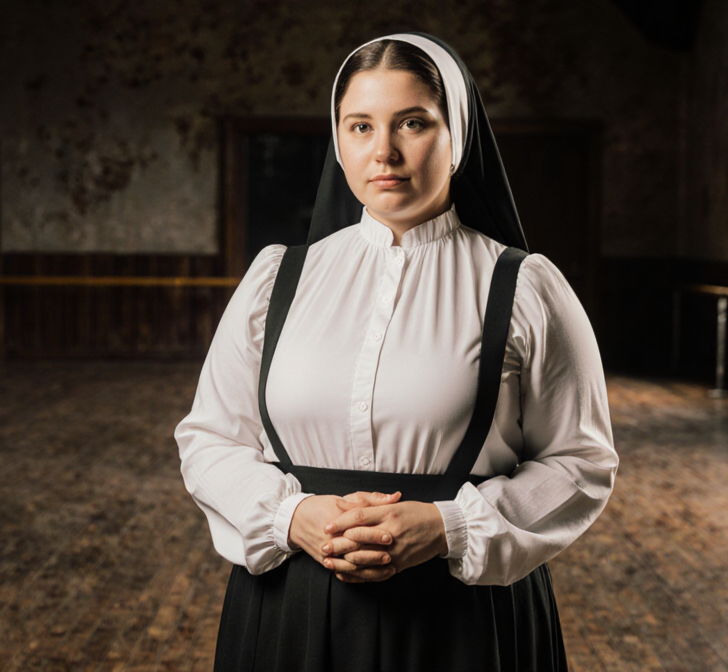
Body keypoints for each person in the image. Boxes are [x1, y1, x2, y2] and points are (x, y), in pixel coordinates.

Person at [174, 31, 618, 672]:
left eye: (413, 122)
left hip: (463, 615)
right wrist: (291, 516)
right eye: (359, 126)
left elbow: (581, 462)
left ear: (457, 134)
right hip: (291, 605)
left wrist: (448, 527)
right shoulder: (277, 279)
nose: (383, 151)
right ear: (338, 140)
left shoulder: (525, 287)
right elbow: (210, 438)